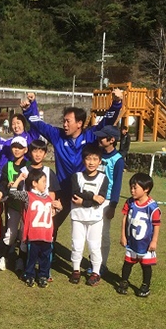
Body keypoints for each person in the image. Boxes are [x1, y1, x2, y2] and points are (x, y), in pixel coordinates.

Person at [21, 88, 123, 235]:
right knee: (50, 225)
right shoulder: (57, 136)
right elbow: (40, 125)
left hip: (85, 193)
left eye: (68, 121)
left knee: (89, 232)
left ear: (79, 123)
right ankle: (47, 255)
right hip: (63, 191)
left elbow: (108, 121)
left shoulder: (90, 136)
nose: (65, 125)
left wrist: (117, 103)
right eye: (63, 121)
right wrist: (28, 110)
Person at [9, 168, 58, 288]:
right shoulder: (28, 196)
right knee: (32, 257)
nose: (46, 184)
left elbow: (53, 212)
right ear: (34, 183)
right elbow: (13, 192)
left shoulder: (47, 198)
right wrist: (19, 179)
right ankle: (29, 275)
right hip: (34, 234)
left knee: (45, 257)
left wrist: (59, 207)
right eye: (43, 181)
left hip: (46, 234)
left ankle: (43, 275)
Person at [68, 145, 108, 287]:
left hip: (95, 218)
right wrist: (91, 198)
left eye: (95, 159)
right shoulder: (76, 177)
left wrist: (84, 202)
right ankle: (76, 270)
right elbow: (75, 194)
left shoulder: (103, 178)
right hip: (78, 217)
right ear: (83, 160)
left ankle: (95, 273)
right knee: (77, 245)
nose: (91, 162)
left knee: (94, 246)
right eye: (88, 159)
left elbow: (101, 199)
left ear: (100, 161)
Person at [117, 173, 161, 297]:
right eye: (131, 187)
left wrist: (154, 241)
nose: (132, 190)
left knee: (146, 266)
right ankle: (124, 281)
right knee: (127, 263)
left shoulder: (152, 207)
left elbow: (157, 224)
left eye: (135, 188)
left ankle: (145, 285)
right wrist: (123, 235)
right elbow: (125, 218)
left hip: (145, 243)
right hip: (132, 241)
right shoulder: (130, 202)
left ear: (146, 189)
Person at [0, 136, 29, 271]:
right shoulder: (8, 165)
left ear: (25, 150)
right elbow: (2, 183)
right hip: (13, 205)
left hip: (27, 207)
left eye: (20, 148)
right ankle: (3, 258)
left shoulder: (29, 166)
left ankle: (21, 260)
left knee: (23, 234)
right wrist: (7, 185)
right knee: (11, 233)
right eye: (14, 147)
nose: (17, 150)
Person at [96, 125, 125, 275]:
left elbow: (117, 183)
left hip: (107, 201)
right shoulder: (98, 154)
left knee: (104, 233)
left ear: (112, 140)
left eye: (102, 137)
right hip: (94, 198)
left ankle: (103, 263)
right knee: (93, 232)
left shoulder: (118, 160)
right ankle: (95, 259)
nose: (99, 139)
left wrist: (113, 205)